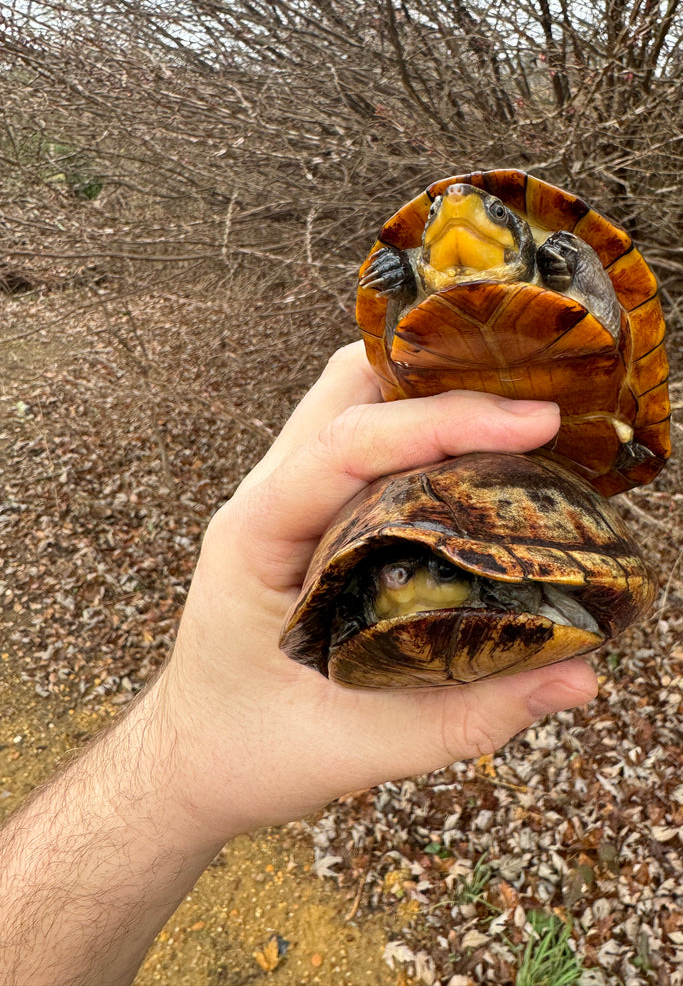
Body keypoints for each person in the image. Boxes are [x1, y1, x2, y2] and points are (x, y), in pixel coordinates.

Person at [0, 343, 598, 986]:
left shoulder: (499, 582)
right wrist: (182, 767)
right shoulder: (355, 608)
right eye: (397, 573)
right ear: (374, 586)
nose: (411, 580)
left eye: (432, 570)